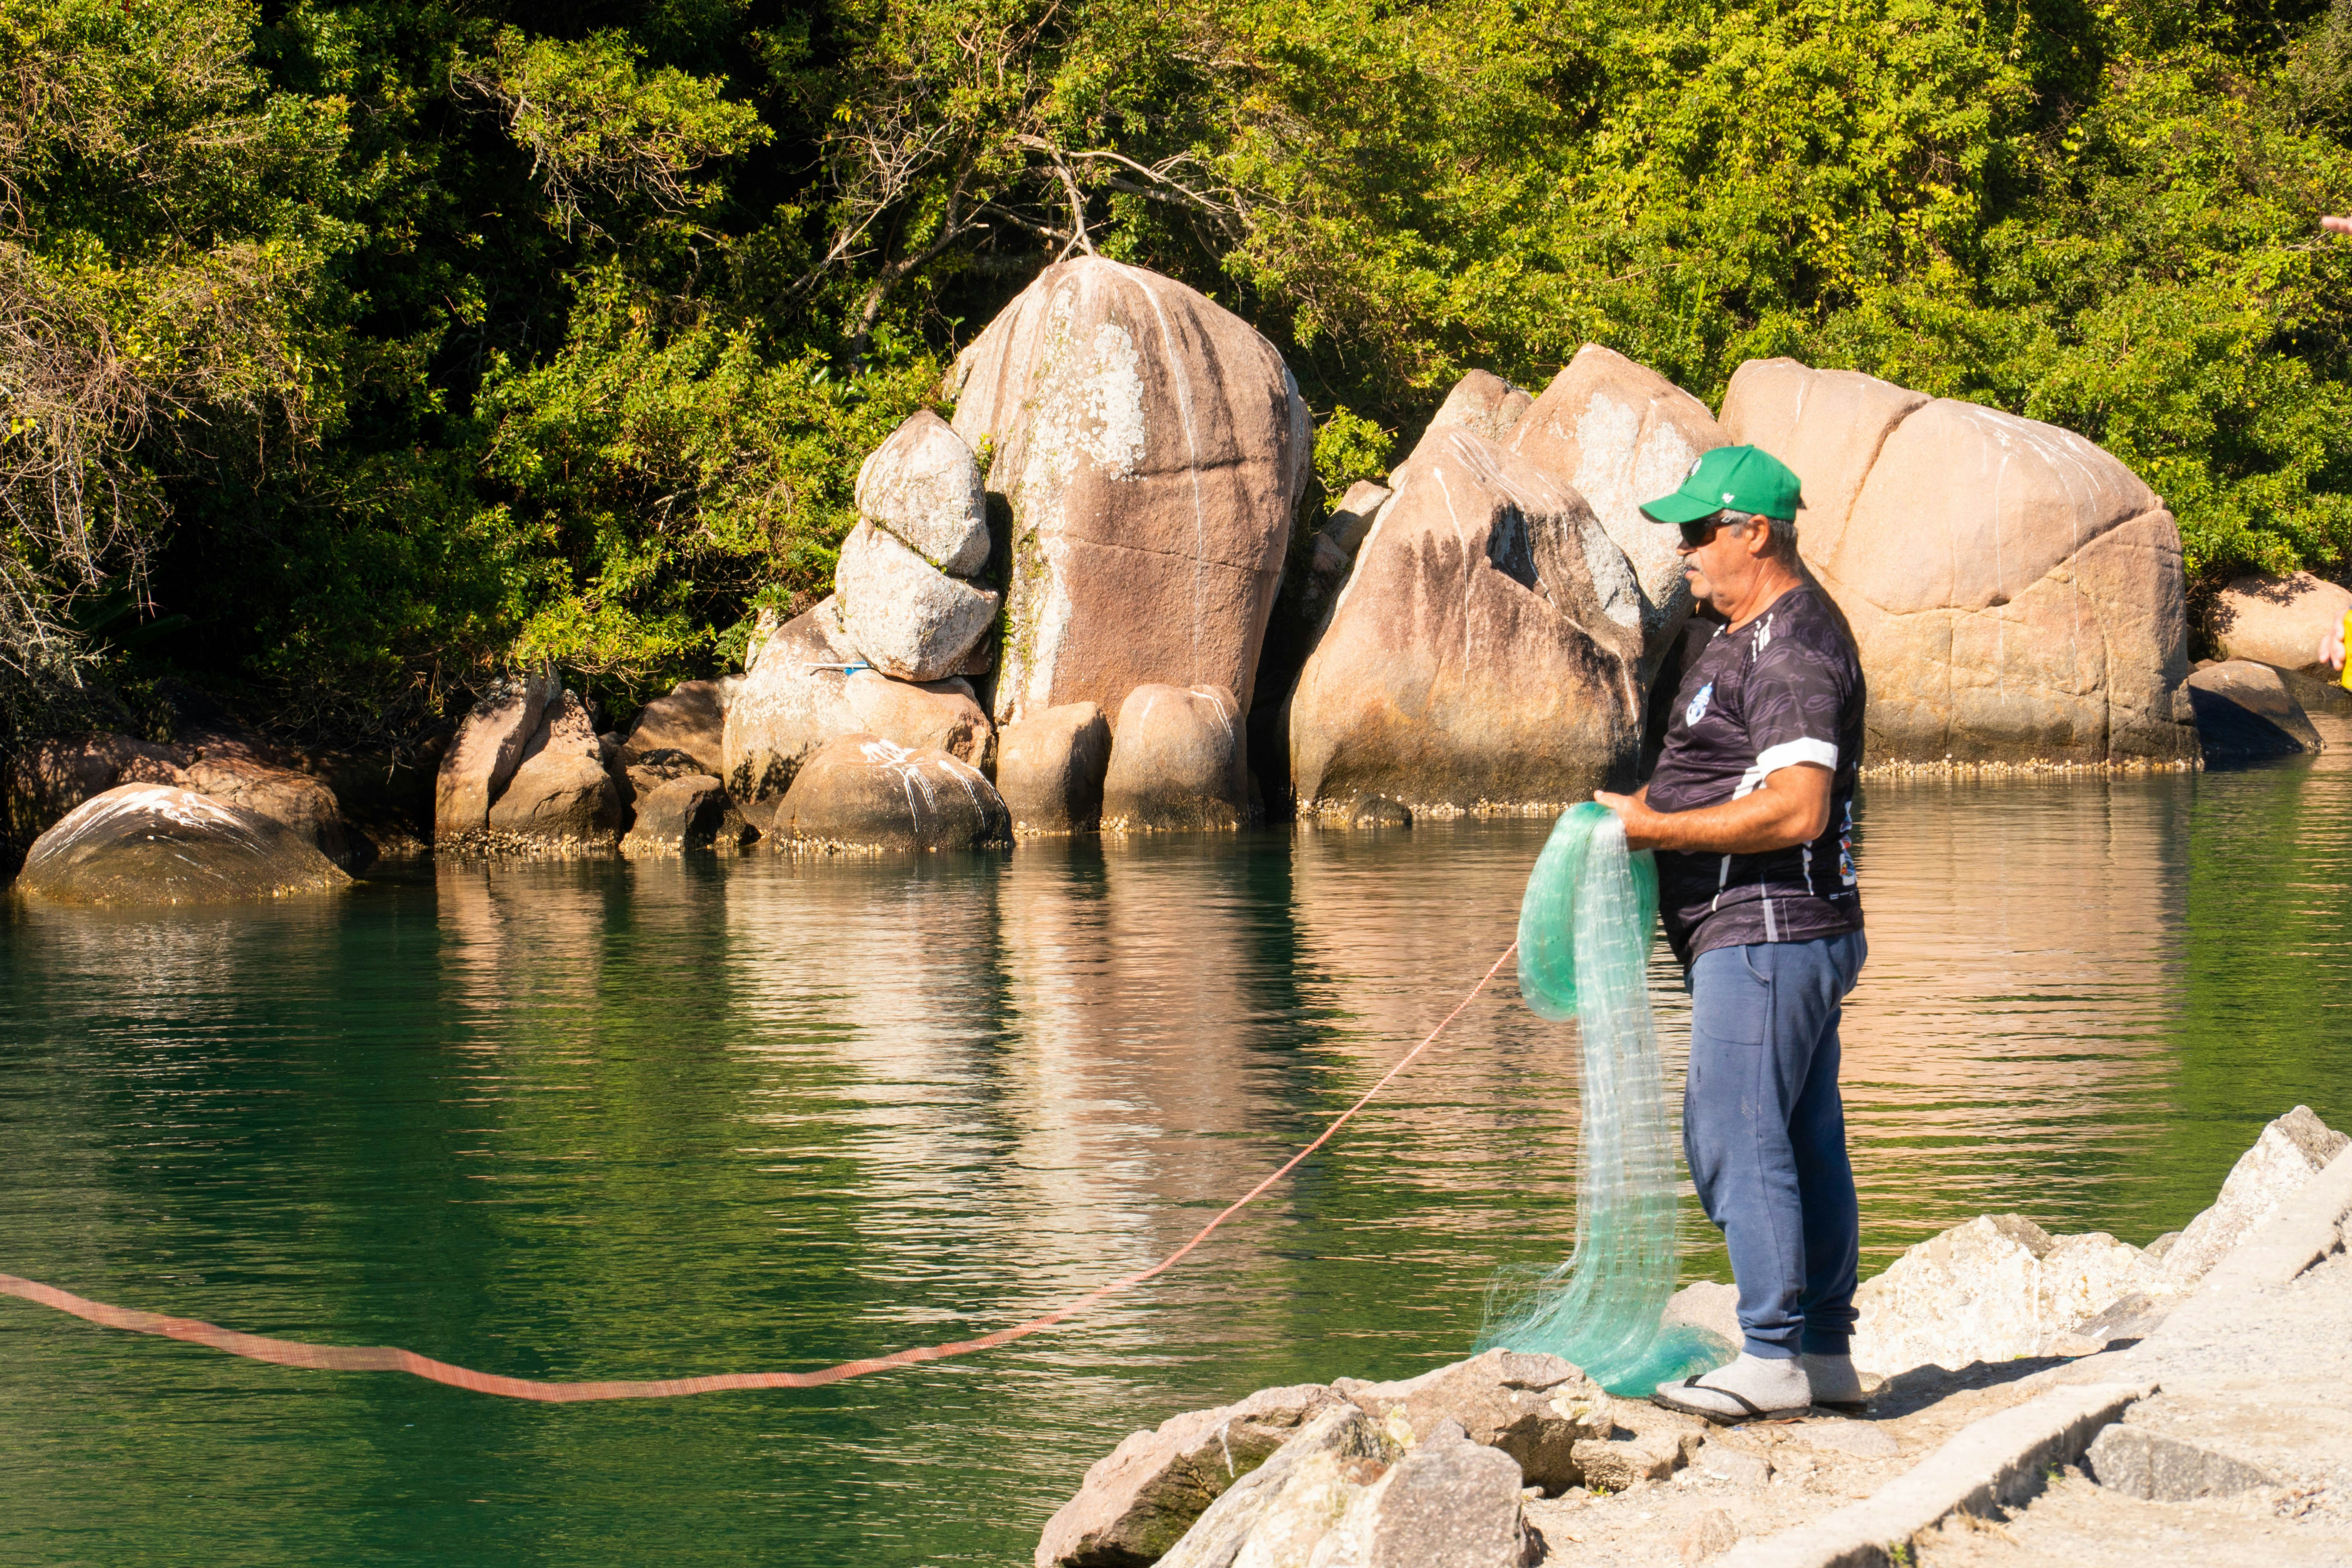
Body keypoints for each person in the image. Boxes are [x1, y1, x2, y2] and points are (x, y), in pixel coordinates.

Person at [1593, 444, 1869, 1423]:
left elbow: (1797, 808)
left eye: (1701, 532)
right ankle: (1825, 1353)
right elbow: (1715, 776)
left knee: (1731, 1131)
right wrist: (1631, 815)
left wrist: (1654, 829)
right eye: (1681, 534)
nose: (1685, 553)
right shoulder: (1739, 631)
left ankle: (1772, 1354)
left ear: (1758, 533)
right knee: (1798, 1132)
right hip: (1773, 931)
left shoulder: (1793, 648)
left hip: (1769, 929)